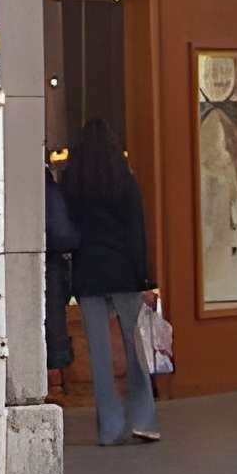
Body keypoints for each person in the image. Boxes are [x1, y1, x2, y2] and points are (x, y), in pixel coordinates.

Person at [61, 117, 161, 446]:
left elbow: (68, 225)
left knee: (100, 356)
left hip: (89, 271)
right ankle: (144, 419)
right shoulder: (124, 181)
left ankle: (110, 428)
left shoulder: (73, 182)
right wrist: (144, 275)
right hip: (123, 270)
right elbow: (137, 230)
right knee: (136, 348)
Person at [43, 161, 81, 391]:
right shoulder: (53, 193)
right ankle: (55, 380)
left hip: (35, 262)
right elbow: (65, 235)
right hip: (52, 264)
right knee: (54, 320)